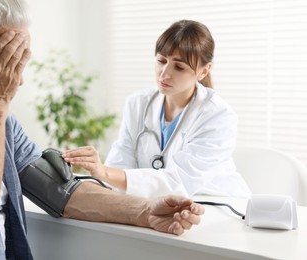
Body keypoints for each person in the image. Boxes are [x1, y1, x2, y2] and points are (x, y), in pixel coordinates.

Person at [0, 1, 205, 259]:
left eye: (21, 65)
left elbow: (59, 191)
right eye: (6, 66)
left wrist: (145, 210)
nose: (17, 82)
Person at [62, 20, 251, 199]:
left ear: (203, 71)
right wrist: (100, 173)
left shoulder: (218, 116)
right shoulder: (138, 104)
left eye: (179, 67)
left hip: (218, 206)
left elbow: (179, 182)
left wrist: (105, 172)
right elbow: (119, 166)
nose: (165, 73)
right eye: (161, 61)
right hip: (157, 205)